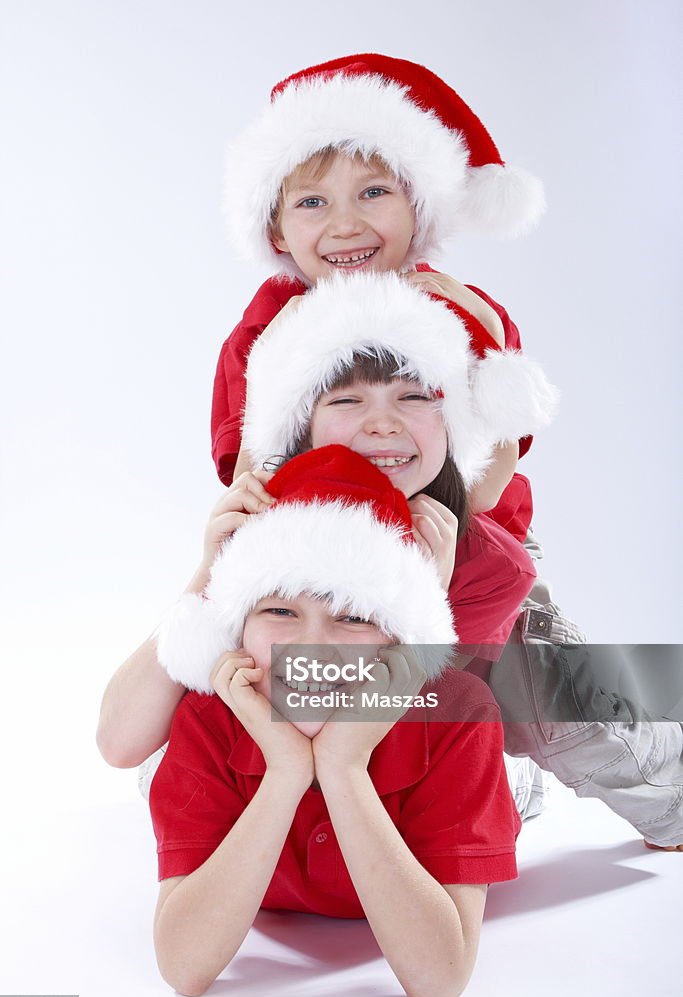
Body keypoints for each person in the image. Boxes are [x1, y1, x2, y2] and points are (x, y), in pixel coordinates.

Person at [209, 54, 683, 849]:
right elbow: (247, 468)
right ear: (276, 226)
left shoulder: (459, 314)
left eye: (373, 193)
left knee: (566, 715)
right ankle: (431, 794)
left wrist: (479, 329)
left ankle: (663, 792)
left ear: (418, 205)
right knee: (323, 709)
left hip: (471, 547)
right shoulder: (267, 332)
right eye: (313, 202)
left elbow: (495, 472)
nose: (346, 223)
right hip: (338, 570)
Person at [98, 273, 545, 819]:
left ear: (453, 427)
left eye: (414, 396)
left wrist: (427, 605)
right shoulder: (268, 524)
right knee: (169, 756)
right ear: (301, 426)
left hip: (402, 782)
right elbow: (120, 743)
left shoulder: (486, 563)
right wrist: (208, 575)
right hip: (289, 784)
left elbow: (421, 732)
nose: (383, 423)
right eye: (347, 399)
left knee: (554, 694)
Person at [150, 444, 521, 997]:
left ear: (397, 638)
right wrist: (286, 770)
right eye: (278, 611)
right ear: (238, 627)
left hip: (484, 780)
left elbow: (437, 984)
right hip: (233, 776)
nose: (310, 646)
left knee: (550, 707)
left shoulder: (460, 714)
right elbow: (184, 968)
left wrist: (344, 765)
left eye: (352, 616)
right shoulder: (209, 712)